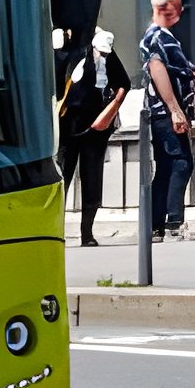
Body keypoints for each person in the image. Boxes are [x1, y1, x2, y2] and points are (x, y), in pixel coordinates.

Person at [55, 24, 132, 246]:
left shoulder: (101, 44)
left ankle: (86, 233)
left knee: (91, 177)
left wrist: (109, 112)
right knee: (62, 177)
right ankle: (55, 230)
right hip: (67, 123)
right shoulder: (62, 47)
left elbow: (123, 83)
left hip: (95, 125)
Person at [140, 0, 195, 241]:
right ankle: (173, 222)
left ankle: (155, 226)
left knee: (166, 167)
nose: (180, 11)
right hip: (165, 113)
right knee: (181, 163)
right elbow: (157, 68)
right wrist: (175, 110)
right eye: (176, 7)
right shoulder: (158, 37)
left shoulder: (161, 36)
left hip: (162, 112)